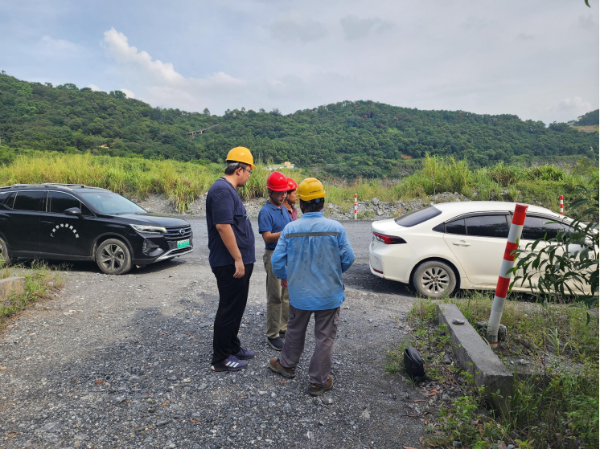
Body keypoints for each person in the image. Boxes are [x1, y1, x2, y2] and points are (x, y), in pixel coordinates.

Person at [267, 178, 355, 396]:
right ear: (322, 202)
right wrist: (334, 273)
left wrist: (287, 276)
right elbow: (349, 258)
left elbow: (276, 262)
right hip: (329, 294)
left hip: (300, 294)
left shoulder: (290, 229)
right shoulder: (336, 228)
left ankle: (287, 365)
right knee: (324, 337)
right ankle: (318, 381)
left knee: (295, 330)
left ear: (302, 204)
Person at [205, 146, 256, 372]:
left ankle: (232, 346)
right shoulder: (222, 190)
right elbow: (223, 226)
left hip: (236, 262)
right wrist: (238, 258)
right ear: (239, 169)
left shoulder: (228, 190)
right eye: (249, 171)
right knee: (228, 309)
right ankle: (221, 359)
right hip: (229, 263)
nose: (249, 176)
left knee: (236, 308)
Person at [257, 171, 292, 351]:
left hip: (286, 255)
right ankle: (272, 334)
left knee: (286, 295)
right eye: (279, 192)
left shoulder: (283, 208)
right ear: (270, 191)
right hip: (273, 255)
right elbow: (267, 237)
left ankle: (283, 327)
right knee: (275, 295)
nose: (283, 195)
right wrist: (286, 232)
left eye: (285, 192)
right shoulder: (265, 212)